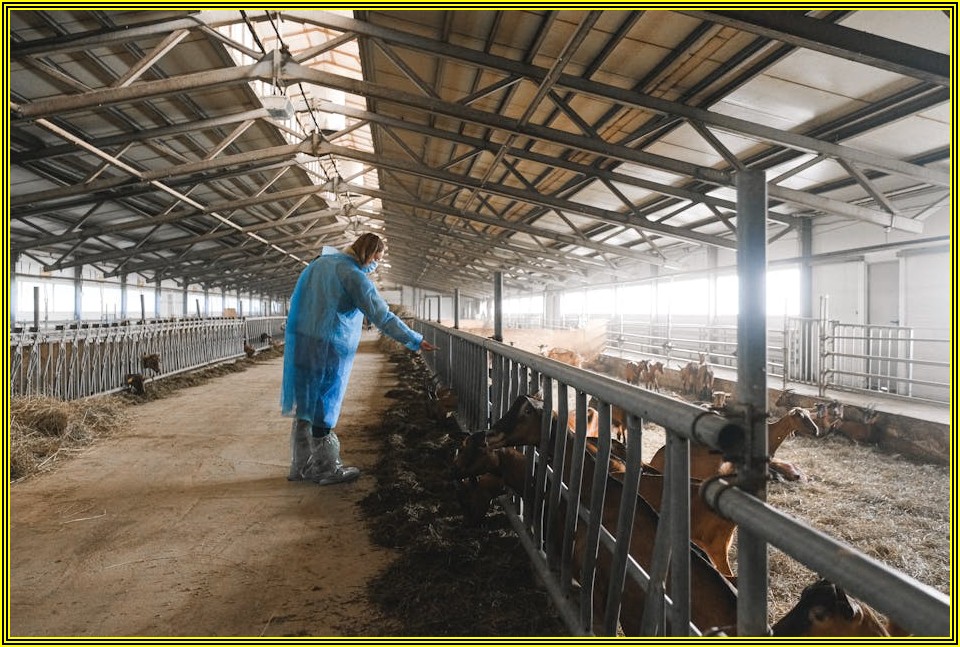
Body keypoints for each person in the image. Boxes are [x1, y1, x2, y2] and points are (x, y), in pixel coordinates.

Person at [280, 232, 437, 485]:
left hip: (303, 342)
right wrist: (415, 339)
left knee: (306, 403)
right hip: (329, 345)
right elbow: (382, 316)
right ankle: (326, 468)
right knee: (324, 405)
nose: (376, 264)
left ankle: (300, 466)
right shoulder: (352, 275)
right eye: (377, 258)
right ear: (369, 253)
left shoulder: (319, 264)